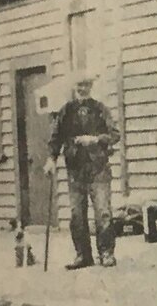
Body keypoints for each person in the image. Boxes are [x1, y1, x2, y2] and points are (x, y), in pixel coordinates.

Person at [44, 73, 120, 269]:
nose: (82, 88)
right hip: (75, 170)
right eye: (79, 85)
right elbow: (55, 137)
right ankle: (83, 255)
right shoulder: (66, 111)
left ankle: (106, 253)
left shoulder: (100, 109)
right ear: (74, 86)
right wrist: (51, 159)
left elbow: (114, 135)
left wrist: (94, 140)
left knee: (103, 212)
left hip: (98, 168)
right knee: (77, 214)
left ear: (91, 86)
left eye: (86, 85)